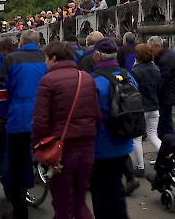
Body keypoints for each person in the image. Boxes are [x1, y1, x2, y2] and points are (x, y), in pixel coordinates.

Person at [32, 42, 101, 219]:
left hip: (61, 148)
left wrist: (37, 146)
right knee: (80, 200)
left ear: (54, 58)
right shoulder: (86, 77)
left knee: (62, 202)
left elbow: (40, 121)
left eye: (46, 58)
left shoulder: (47, 81)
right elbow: (97, 114)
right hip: (87, 146)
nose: (45, 62)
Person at [0, 30, 48, 219]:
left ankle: (19, 211)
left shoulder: (11, 60)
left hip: (19, 119)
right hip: (44, 119)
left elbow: (1, 92)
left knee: (15, 164)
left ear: (21, 42)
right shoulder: (47, 58)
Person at [90, 38, 138, 219]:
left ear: (96, 55)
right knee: (116, 190)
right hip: (123, 143)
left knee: (101, 195)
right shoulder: (128, 76)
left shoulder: (93, 80)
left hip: (101, 146)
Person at [129, 43, 161, 177]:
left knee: (136, 138)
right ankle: (170, 157)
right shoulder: (156, 69)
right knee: (153, 135)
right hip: (154, 106)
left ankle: (140, 167)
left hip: (141, 107)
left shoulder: (135, 71)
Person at [148, 36, 175, 139]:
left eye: (151, 48)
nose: (150, 51)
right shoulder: (168, 55)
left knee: (166, 121)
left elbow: (163, 79)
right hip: (172, 91)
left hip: (168, 93)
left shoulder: (165, 59)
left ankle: (171, 143)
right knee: (165, 120)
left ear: (157, 46)